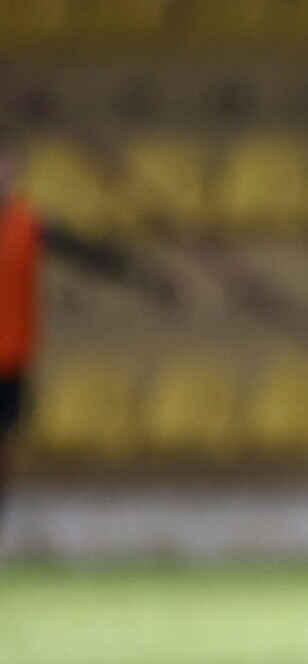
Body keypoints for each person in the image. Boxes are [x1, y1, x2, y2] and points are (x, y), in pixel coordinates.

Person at [0, 133, 183, 529]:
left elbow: (91, 255)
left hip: (12, 356)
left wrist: (147, 278)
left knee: (6, 447)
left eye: (5, 163)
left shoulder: (29, 222)